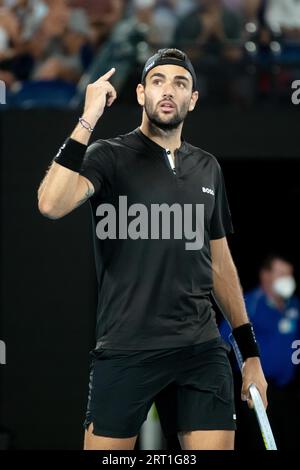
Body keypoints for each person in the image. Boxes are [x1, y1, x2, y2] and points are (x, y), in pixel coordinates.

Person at [37, 47, 267, 450]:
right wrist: (88, 118)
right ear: (141, 93)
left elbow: (220, 263)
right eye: (158, 81)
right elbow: (51, 204)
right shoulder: (108, 156)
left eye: (180, 83)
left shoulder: (207, 167)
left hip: (199, 349)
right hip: (125, 349)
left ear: (192, 100)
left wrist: (249, 354)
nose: (168, 90)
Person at [220, 254, 300, 449]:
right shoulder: (248, 305)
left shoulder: (294, 305)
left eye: (289, 274)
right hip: (257, 392)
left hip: (288, 391)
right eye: (281, 274)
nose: (287, 280)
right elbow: (222, 338)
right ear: (265, 276)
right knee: (259, 443)